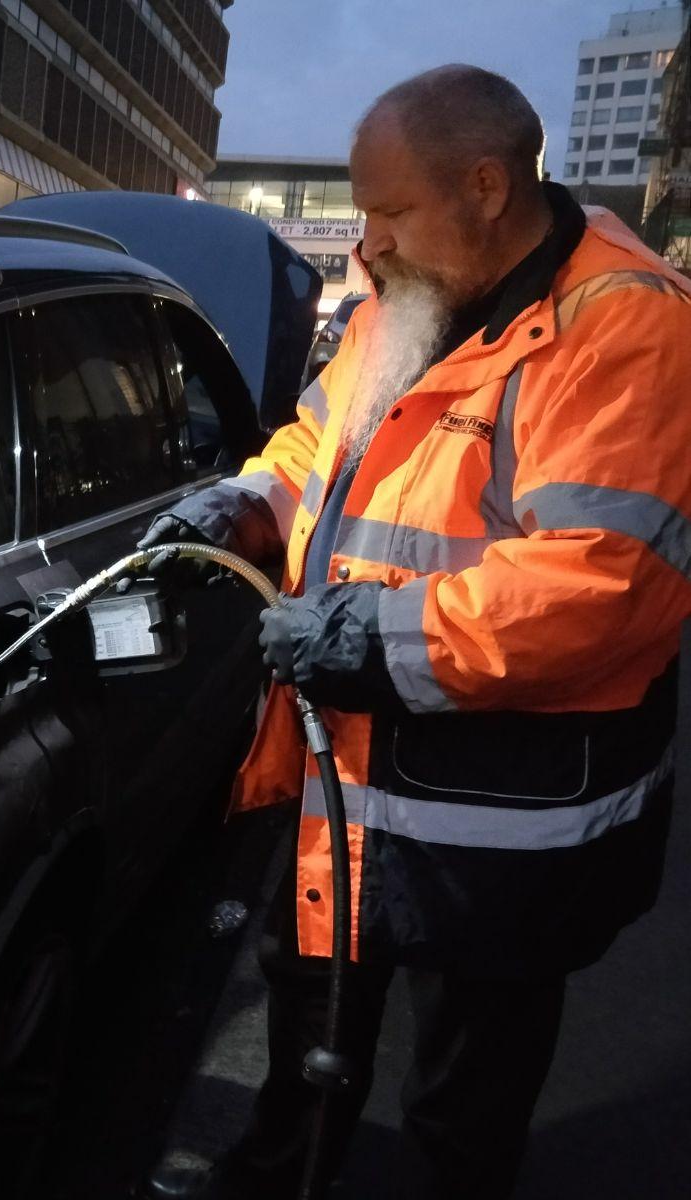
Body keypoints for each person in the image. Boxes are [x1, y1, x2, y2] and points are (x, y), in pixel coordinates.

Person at [143, 65, 691, 1200]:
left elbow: (604, 581)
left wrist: (367, 636)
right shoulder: (407, 298)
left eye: (390, 211)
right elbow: (318, 451)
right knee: (310, 1021)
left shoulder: (628, 327)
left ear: (486, 186)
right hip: (352, 769)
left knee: (467, 1086)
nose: (369, 240)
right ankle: (275, 1178)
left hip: (504, 810)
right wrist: (247, 501)